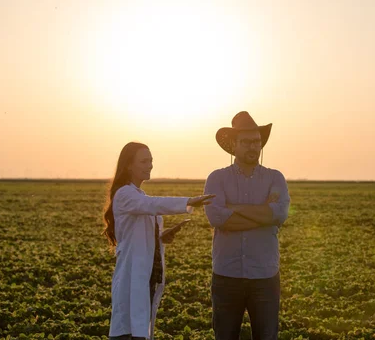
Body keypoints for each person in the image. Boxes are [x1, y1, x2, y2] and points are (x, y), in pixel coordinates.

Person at [102, 141, 214, 340]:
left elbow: (141, 231)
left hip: (145, 274)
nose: (150, 165)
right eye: (144, 161)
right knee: (128, 329)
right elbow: (152, 205)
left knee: (139, 328)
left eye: (151, 160)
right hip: (132, 274)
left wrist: (161, 238)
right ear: (128, 165)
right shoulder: (125, 194)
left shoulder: (137, 194)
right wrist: (188, 201)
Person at [204, 111, 290, 340]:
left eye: (257, 142)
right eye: (247, 142)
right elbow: (218, 219)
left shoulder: (275, 178)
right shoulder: (217, 178)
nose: (253, 147)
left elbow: (279, 214)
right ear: (234, 144)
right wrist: (262, 213)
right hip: (226, 275)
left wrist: (234, 207)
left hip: (265, 275)